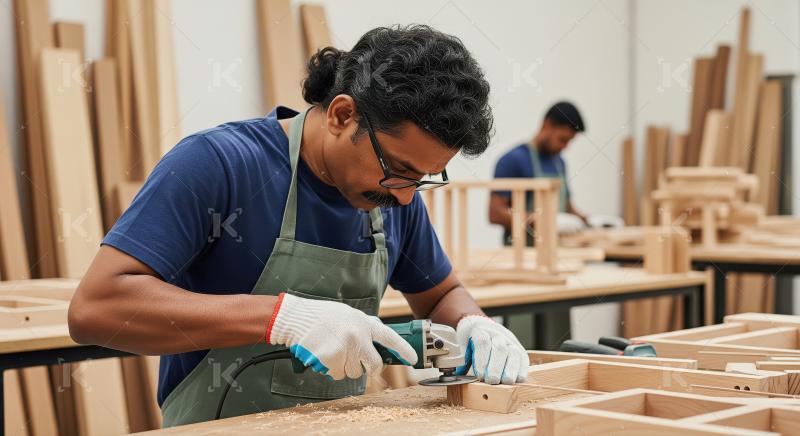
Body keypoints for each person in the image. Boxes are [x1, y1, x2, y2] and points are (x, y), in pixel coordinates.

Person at [68, 25, 528, 427]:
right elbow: (96, 309)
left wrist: (475, 324)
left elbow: (439, 293)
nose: (407, 196)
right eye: (400, 169)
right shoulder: (219, 165)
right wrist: (281, 318)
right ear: (342, 115)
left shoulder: (393, 193)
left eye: (424, 179)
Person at [489, 101, 588, 245]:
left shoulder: (559, 163)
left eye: (569, 142)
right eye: (562, 139)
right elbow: (495, 213)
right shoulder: (513, 160)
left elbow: (566, 206)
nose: (565, 146)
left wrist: (587, 221)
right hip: (521, 253)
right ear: (547, 125)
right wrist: (539, 221)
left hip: (554, 249)